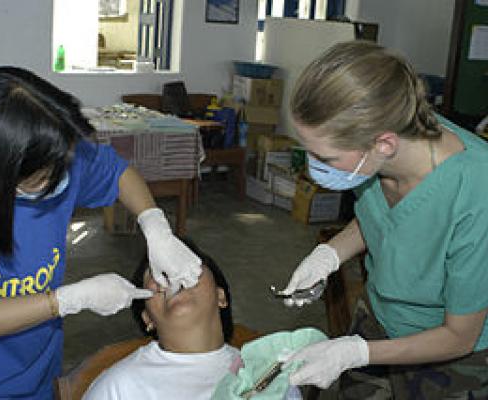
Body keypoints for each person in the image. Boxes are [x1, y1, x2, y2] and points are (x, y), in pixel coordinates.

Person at [0, 66, 202, 399]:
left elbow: (117, 173)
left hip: (41, 365)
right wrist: (67, 300)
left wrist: (156, 226)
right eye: (45, 178)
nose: (64, 178)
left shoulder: (52, 153)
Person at [278, 40, 488, 398]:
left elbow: (460, 336)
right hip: (379, 314)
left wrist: (354, 353)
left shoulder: (475, 190)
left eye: (325, 158)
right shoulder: (376, 149)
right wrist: (329, 255)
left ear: (384, 145)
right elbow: (385, 220)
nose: (315, 170)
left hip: (449, 352)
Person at [83, 238, 238, 400]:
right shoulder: (119, 388)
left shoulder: (258, 369)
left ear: (221, 296)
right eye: (155, 272)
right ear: (148, 318)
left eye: (185, 262)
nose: (173, 276)